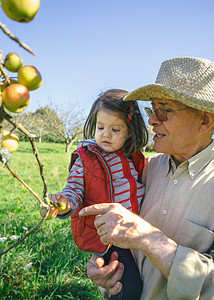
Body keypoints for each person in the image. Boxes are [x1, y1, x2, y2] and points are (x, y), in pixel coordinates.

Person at [79, 56, 214, 299]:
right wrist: (105, 267)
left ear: (205, 120)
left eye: (165, 111)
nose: (151, 120)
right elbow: (121, 243)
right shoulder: (143, 170)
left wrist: (149, 239)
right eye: (153, 109)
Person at [48, 89, 148, 300]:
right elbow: (74, 188)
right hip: (110, 236)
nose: (106, 134)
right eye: (100, 127)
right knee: (128, 288)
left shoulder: (132, 157)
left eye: (115, 129)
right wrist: (65, 202)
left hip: (136, 231)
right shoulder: (87, 158)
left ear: (130, 131)